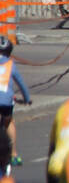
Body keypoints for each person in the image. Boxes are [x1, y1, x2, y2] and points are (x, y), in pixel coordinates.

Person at [0, 37, 32, 165]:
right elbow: (22, 85)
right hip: (7, 101)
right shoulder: (11, 64)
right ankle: (13, 154)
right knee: (9, 122)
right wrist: (27, 99)